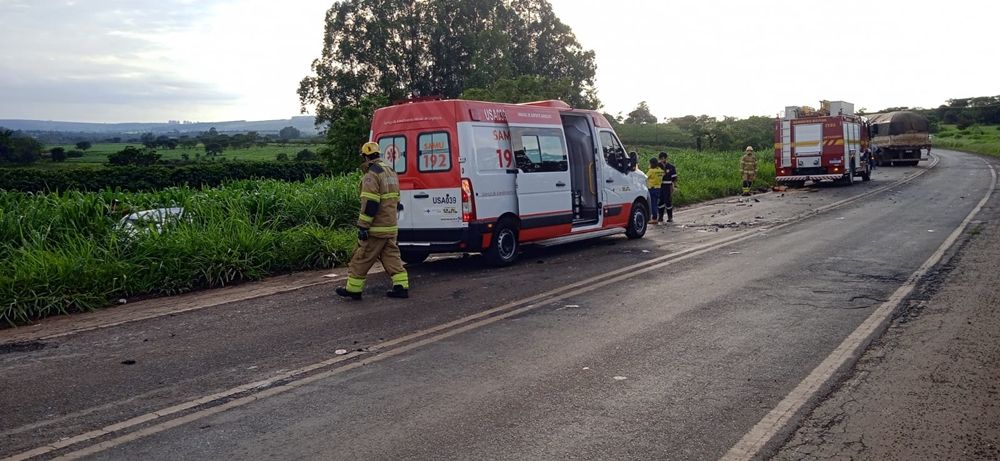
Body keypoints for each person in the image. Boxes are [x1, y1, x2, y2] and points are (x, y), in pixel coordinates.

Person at [336, 141, 410, 300]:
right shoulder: (390, 171)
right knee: (391, 257)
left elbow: (370, 203)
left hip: (376, 228)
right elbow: (396, 199)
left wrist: (363, 226)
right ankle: (401, 286)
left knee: (361, 257)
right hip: (390, 226)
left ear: (365, 156)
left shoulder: (372, 174)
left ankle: (353, 289)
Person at [657, 151, 678, 222]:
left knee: (668, 201)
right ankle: (660, 217)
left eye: (663, 158)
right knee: (660, 202)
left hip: (668, 186)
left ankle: (670, 217)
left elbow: (674, 178)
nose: (662, 160)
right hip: (659, 186)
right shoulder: (657, 166)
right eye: (661, 158)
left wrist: (674, 186)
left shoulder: (671, 167)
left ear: (666, 158)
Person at [645, 157, 664, 224]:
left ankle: (654, 218)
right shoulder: (661, 170)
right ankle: (657, 216)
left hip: (652, 189)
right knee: (656, 203)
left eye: (649, 163)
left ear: (652, 163)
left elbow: (644, 177)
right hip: (658, 188)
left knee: (653, 204)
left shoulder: (651, 171)